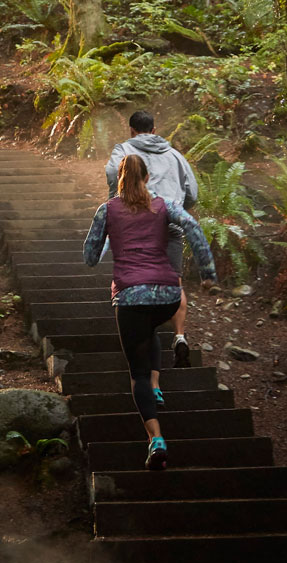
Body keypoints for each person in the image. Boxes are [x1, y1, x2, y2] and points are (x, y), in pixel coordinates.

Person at [85, 154, 219, 471]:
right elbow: (194, 228)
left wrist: (107, 237)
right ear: (147, 178)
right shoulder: (163, 205)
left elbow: (90, 256)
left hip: (130, 297)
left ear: (119, 181)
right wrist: (208, 273)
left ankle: (155, 440)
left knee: (137, 373)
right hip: (168, 295)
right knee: (149, 329)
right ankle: (158, 387)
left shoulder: (107, 210)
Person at [105, 110, 203, 370]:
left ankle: (140, 330)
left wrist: (119, 200)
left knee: (133, 273)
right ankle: (180, 336)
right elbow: (192, 191)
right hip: (170, 224)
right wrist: (180, 207)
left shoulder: (124, 149)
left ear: (131, 129)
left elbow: (112, 174)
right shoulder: (175, 155)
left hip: (136, 222)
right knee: (175, 280)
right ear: (155, 128)